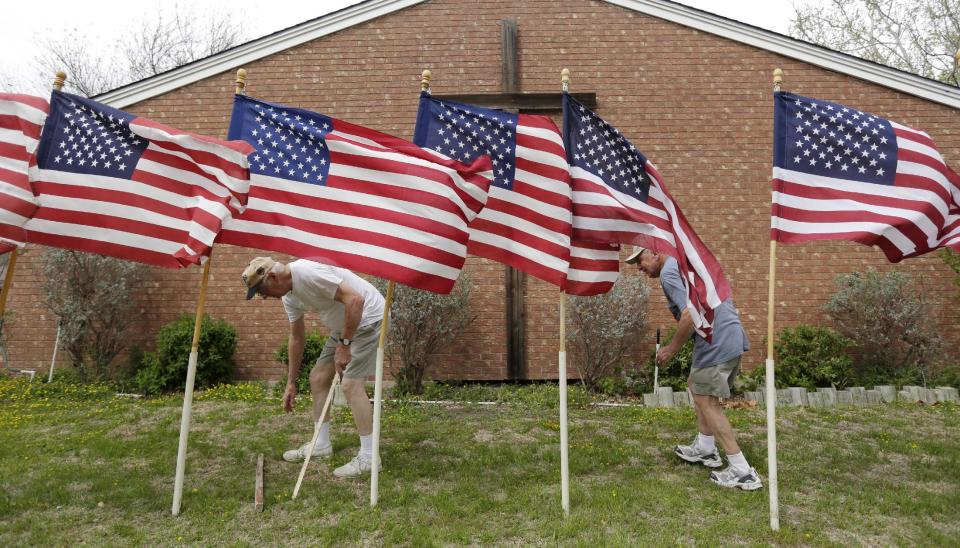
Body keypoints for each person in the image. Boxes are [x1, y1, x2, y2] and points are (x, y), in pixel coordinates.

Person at [626, 246, 761, 491]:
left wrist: (670, 349)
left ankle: (742, 471)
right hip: (726, 333)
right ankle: (706, 449)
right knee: (695, 385)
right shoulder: (681, 264)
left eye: (639, 259)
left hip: (716, 339)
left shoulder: (668, 272)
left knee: (706, 400)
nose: (638, 267)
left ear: (655, 252)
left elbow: (689, 315)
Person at [242, 256, 385, 478]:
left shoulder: (308, 273)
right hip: (343, 326)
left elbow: (356, 300)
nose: (263, 296)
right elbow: (296, 338)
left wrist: (345, 346)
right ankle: (321, 444)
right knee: (318, 378)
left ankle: (369, 457)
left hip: (368, 319)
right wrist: (291, 382)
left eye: (261, 290)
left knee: (350, 384)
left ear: (271, 277)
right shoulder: (288, 296)